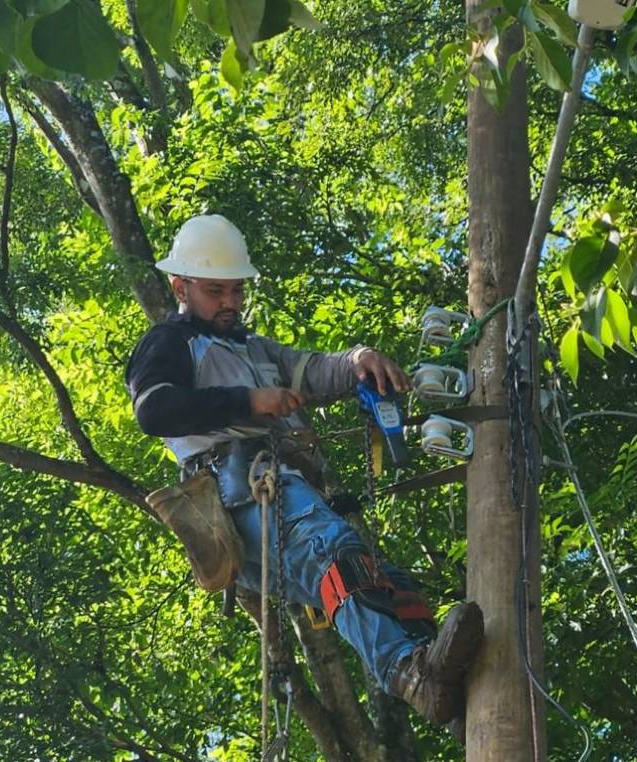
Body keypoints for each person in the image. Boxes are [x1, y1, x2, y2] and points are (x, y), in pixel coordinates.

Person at [124, 214, 482, 733]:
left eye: (236, 291)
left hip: (282, 497)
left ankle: (449, 686)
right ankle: (407, 673)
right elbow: (153, 411)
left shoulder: (253, 347)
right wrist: (250, 401)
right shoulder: (171, 343)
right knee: (333, 552)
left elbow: (313, 370)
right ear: (180, 286)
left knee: (383, 581)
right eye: (214, 291)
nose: (229, 302)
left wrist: (360, 360)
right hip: (241, 493)